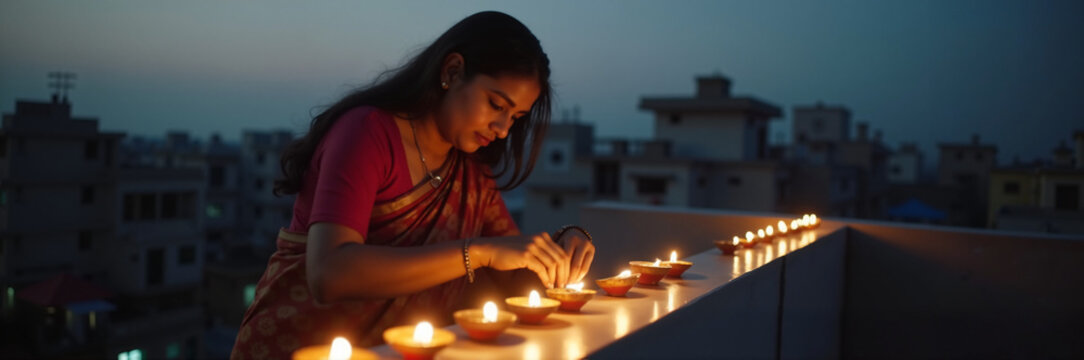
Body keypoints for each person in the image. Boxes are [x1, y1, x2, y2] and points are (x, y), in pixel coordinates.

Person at [230, 11, 595, 359]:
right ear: (452, 71)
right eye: (495, 104)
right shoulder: (367, 133)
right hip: (300, 345)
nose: (503, 129)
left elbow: (510, 259)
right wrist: (476, 253)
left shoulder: (470, 171)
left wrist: (561, 245)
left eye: (515, 118)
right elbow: (330, 273)